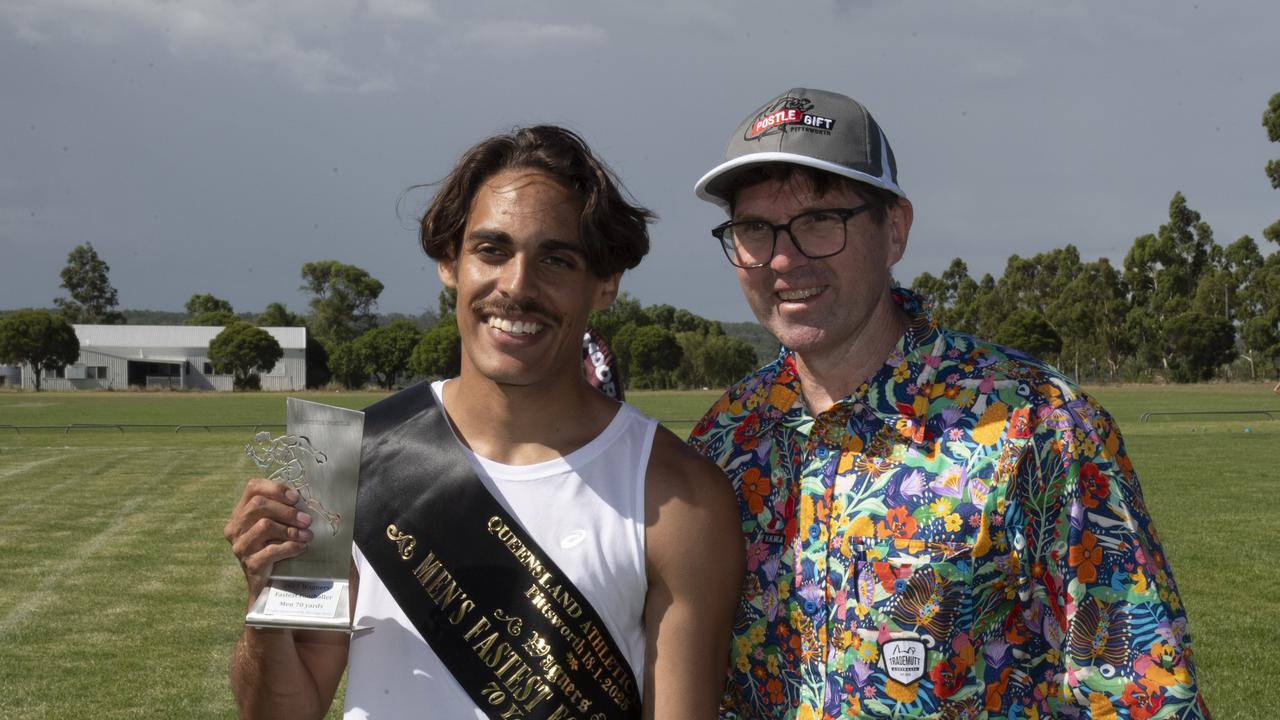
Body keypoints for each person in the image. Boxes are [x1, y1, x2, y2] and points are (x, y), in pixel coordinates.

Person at [688, 89, 1211, 718]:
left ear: (897, 230)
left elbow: (1140, 695)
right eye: (752, 229)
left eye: (821, 220)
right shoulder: (727, 439)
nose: (781, 256)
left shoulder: (1037, 426)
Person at [225, 125, 743, 719]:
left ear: (604, 283)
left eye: (556, 258)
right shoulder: (337, 460)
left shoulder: (680, 498)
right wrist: (265, 605)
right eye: (492, 250)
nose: (517, 287)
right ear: (451, 261)